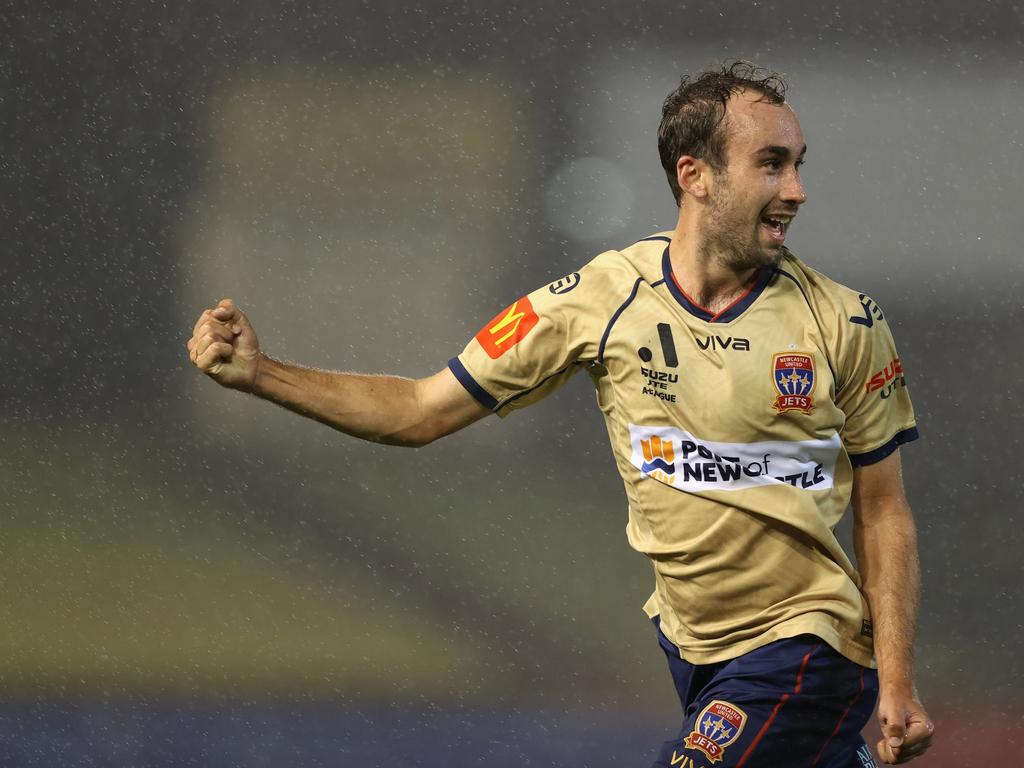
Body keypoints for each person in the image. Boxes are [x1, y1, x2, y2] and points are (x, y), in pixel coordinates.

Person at [187, 61, 934, 767]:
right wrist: (262, 374)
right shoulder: (600, 301)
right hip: (697, 655)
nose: (797, 188)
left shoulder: (844, 323)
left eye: (799, 163)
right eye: (771, 163)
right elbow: (420, 408)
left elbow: (884, 509)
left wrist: (896, 682)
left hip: (808, 648)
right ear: (695, 176)